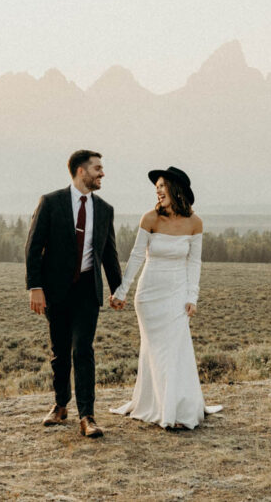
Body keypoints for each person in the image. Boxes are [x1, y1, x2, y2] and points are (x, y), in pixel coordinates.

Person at [109, 166, 222, 429]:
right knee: (156, 351)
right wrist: (122, 291)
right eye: (156, 187)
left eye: (162, 186)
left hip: (177, 294)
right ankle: (159, 406)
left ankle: (178, 409)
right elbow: (137, 256)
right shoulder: (149, 218)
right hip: (149, 296)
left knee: (176, 350)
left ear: (175, 189)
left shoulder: (195, 223)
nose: (158, 191)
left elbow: (194, 263)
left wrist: (192, 296)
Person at [25, 150, 122, 438]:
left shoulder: (104, 210)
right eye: (97, 168)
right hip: (55, 291)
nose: (102, 173)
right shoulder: (51, 202)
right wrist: (35, 287)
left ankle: (87, 417)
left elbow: (109, 254)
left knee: (83, 350)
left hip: (87, 293)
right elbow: (33, 247)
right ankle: (60, 405)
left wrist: (119, 290)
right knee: (60, 352)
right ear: (81, 171)